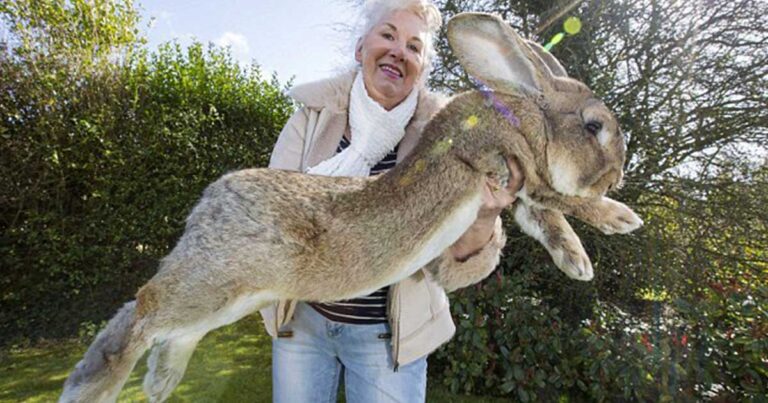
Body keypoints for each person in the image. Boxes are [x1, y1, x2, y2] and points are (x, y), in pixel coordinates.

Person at [260, 1, 524, 401]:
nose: (399, 51)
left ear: (421, 69)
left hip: (387, 340)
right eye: (388, 35)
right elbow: (270, 214)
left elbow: (456, 263)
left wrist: (485, 214)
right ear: (360, 48)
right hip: (305, 324)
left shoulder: (447, 141)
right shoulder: (309, 120)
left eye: (414, 47)